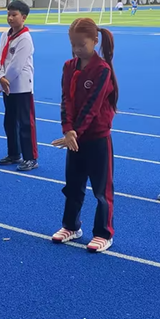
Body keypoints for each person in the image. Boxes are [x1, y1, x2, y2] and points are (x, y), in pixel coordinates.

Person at [50, 18, 119, 253]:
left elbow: (92, 105)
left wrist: (75, 132)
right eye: (73, 45)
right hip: (74, 138)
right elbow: (66, 100)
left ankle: (103, 233)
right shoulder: (69, 67)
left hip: (97, 137)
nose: (77, 49)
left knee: (101, 189)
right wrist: (68, 130)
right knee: (73, 185)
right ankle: (71, 226)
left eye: (82, 44)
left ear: (95, 40)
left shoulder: (102, 70)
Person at [0, 0, 38, 171]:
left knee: (25, 123)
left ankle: (30, 158)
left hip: (21, 86)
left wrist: (3, 82)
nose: (10, 18)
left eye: (14, 15)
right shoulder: (5, 35)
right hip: (7, 85)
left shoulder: (25, 39)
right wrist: (0, 76)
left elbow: (16, 65)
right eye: (8, 14)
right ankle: (14, 153)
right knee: (10, 122)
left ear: (24, 17)